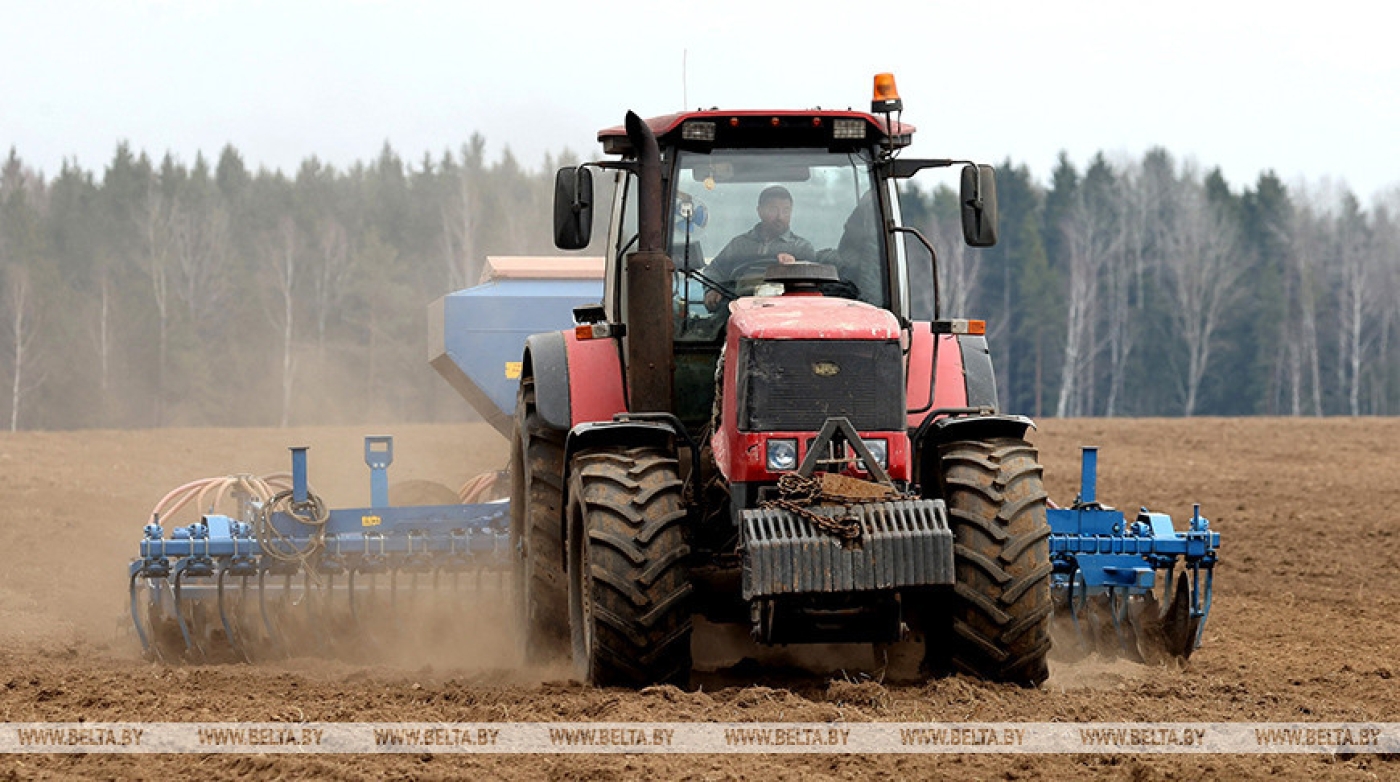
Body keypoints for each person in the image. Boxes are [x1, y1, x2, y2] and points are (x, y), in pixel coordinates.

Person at [703, 185, 815, 310]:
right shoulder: (739, 245)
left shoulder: (802, 248)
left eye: (786, 210)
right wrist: (712, 289)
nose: (780, 217)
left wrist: (796, 268)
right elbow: (714, 270)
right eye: (773, 210)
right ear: (760, 211)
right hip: (738, 308)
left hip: (786, 311)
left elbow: (814, 286)